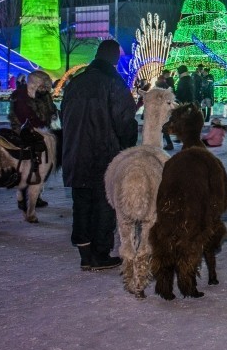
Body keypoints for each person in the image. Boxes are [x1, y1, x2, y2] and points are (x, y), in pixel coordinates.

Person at [60, 39, 137, 271]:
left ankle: (85, 253)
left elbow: (63, 115)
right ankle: (100, 253)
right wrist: (126, 149)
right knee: (104, 204)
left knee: (81, 203)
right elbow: (125, 122)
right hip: (104, 155)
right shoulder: (114, 84)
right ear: (113, 58)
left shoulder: (76, 83)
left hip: (75, 152)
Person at [10, 70, 57, 210]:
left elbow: (51, 109)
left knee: (42, 167)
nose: (45, 89)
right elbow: (20, 116)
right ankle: (21, 196)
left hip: (43, 134)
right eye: (43, 85)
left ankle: (35, 195)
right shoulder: (20, 95)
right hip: (26, 135)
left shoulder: (44, 95)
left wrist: (53, 114)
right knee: (26, 167)